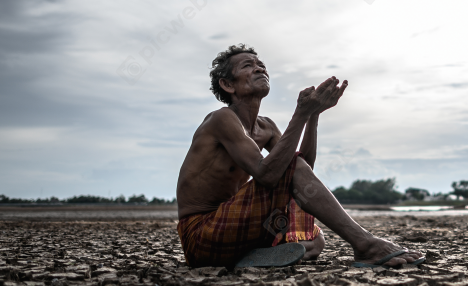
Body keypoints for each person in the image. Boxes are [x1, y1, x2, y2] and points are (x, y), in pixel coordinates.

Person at [176, 44, 424, 269]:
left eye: (261, 65)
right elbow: (271, 174)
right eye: (248, 66)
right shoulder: (222, 119)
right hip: (202, 235)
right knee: (287, 173)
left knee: (316, 239)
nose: (259, 68)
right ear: (228, 85)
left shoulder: (267, 126)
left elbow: (303, 171)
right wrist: (300, 115)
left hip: (236, 227)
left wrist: (312, 115)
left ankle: (247, 257)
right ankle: (366, 244)